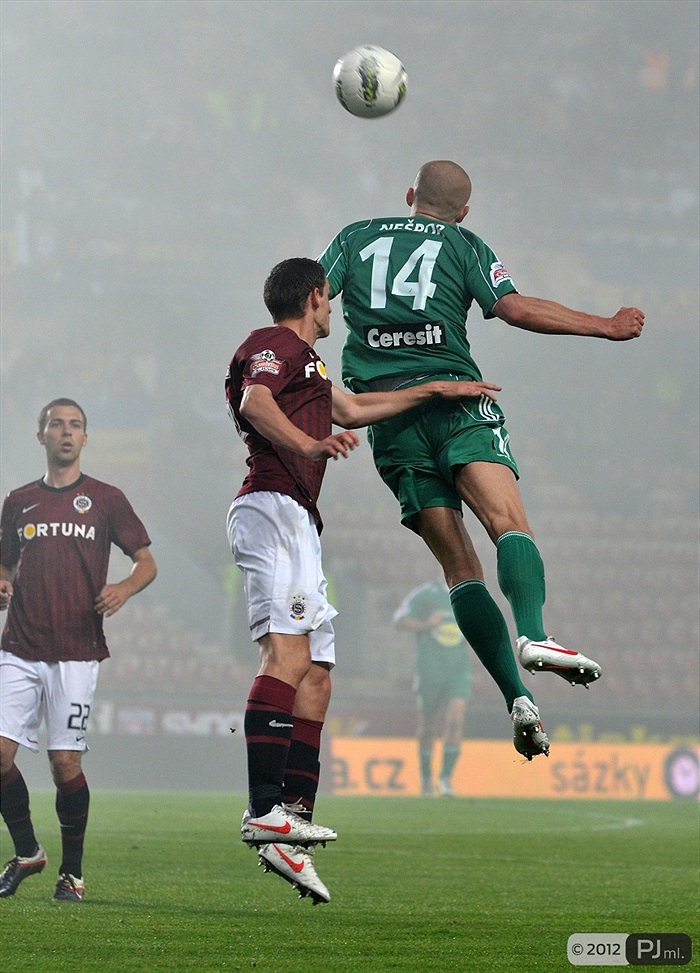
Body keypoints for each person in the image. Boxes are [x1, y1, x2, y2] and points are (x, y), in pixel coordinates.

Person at [318, 160, 645, 761]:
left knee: (460, 568)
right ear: (463, 211)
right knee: (507, 525)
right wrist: (604, 325)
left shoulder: (355, 236)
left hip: (388, 413)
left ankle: (517, 698)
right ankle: (536, 636)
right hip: (459, 401)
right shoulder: (465, 243)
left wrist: (306, 366)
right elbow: (514, 309)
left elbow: (311, 298)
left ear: (410, 195)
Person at [225, 257, 503, 904]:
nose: (335, 308)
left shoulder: (312, 364)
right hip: (271, 506)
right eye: (330, 297)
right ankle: (262, 807)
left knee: (318, 674)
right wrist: (309, 443)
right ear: (315, 295)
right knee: (287, 655)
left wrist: (436, 391)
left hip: (299, 518)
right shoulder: (275, 343)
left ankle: (290, 818)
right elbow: (255, 401)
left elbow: (353, 408)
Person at [0, 398, 157, 902]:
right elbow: (3, 566)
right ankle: (27, 852)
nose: (66, 433)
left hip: (76, 650)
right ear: (40, 435)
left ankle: (72, 873)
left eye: (75, 426)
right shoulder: (18, 501)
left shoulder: (107, 499)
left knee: (64, 766)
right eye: (56, 425)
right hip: (20, 646)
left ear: (85, 438)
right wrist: (2, 583)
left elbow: (146, 562)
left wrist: (125, 589)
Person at [393, 577, 471, 797]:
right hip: (430, 668)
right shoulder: (425, 594)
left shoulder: (470, 592)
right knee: (428, 726)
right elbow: (399, 620)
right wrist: (426, 624)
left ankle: (446, 779)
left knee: (456, 719)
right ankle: (426, 777)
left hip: (459, 668)